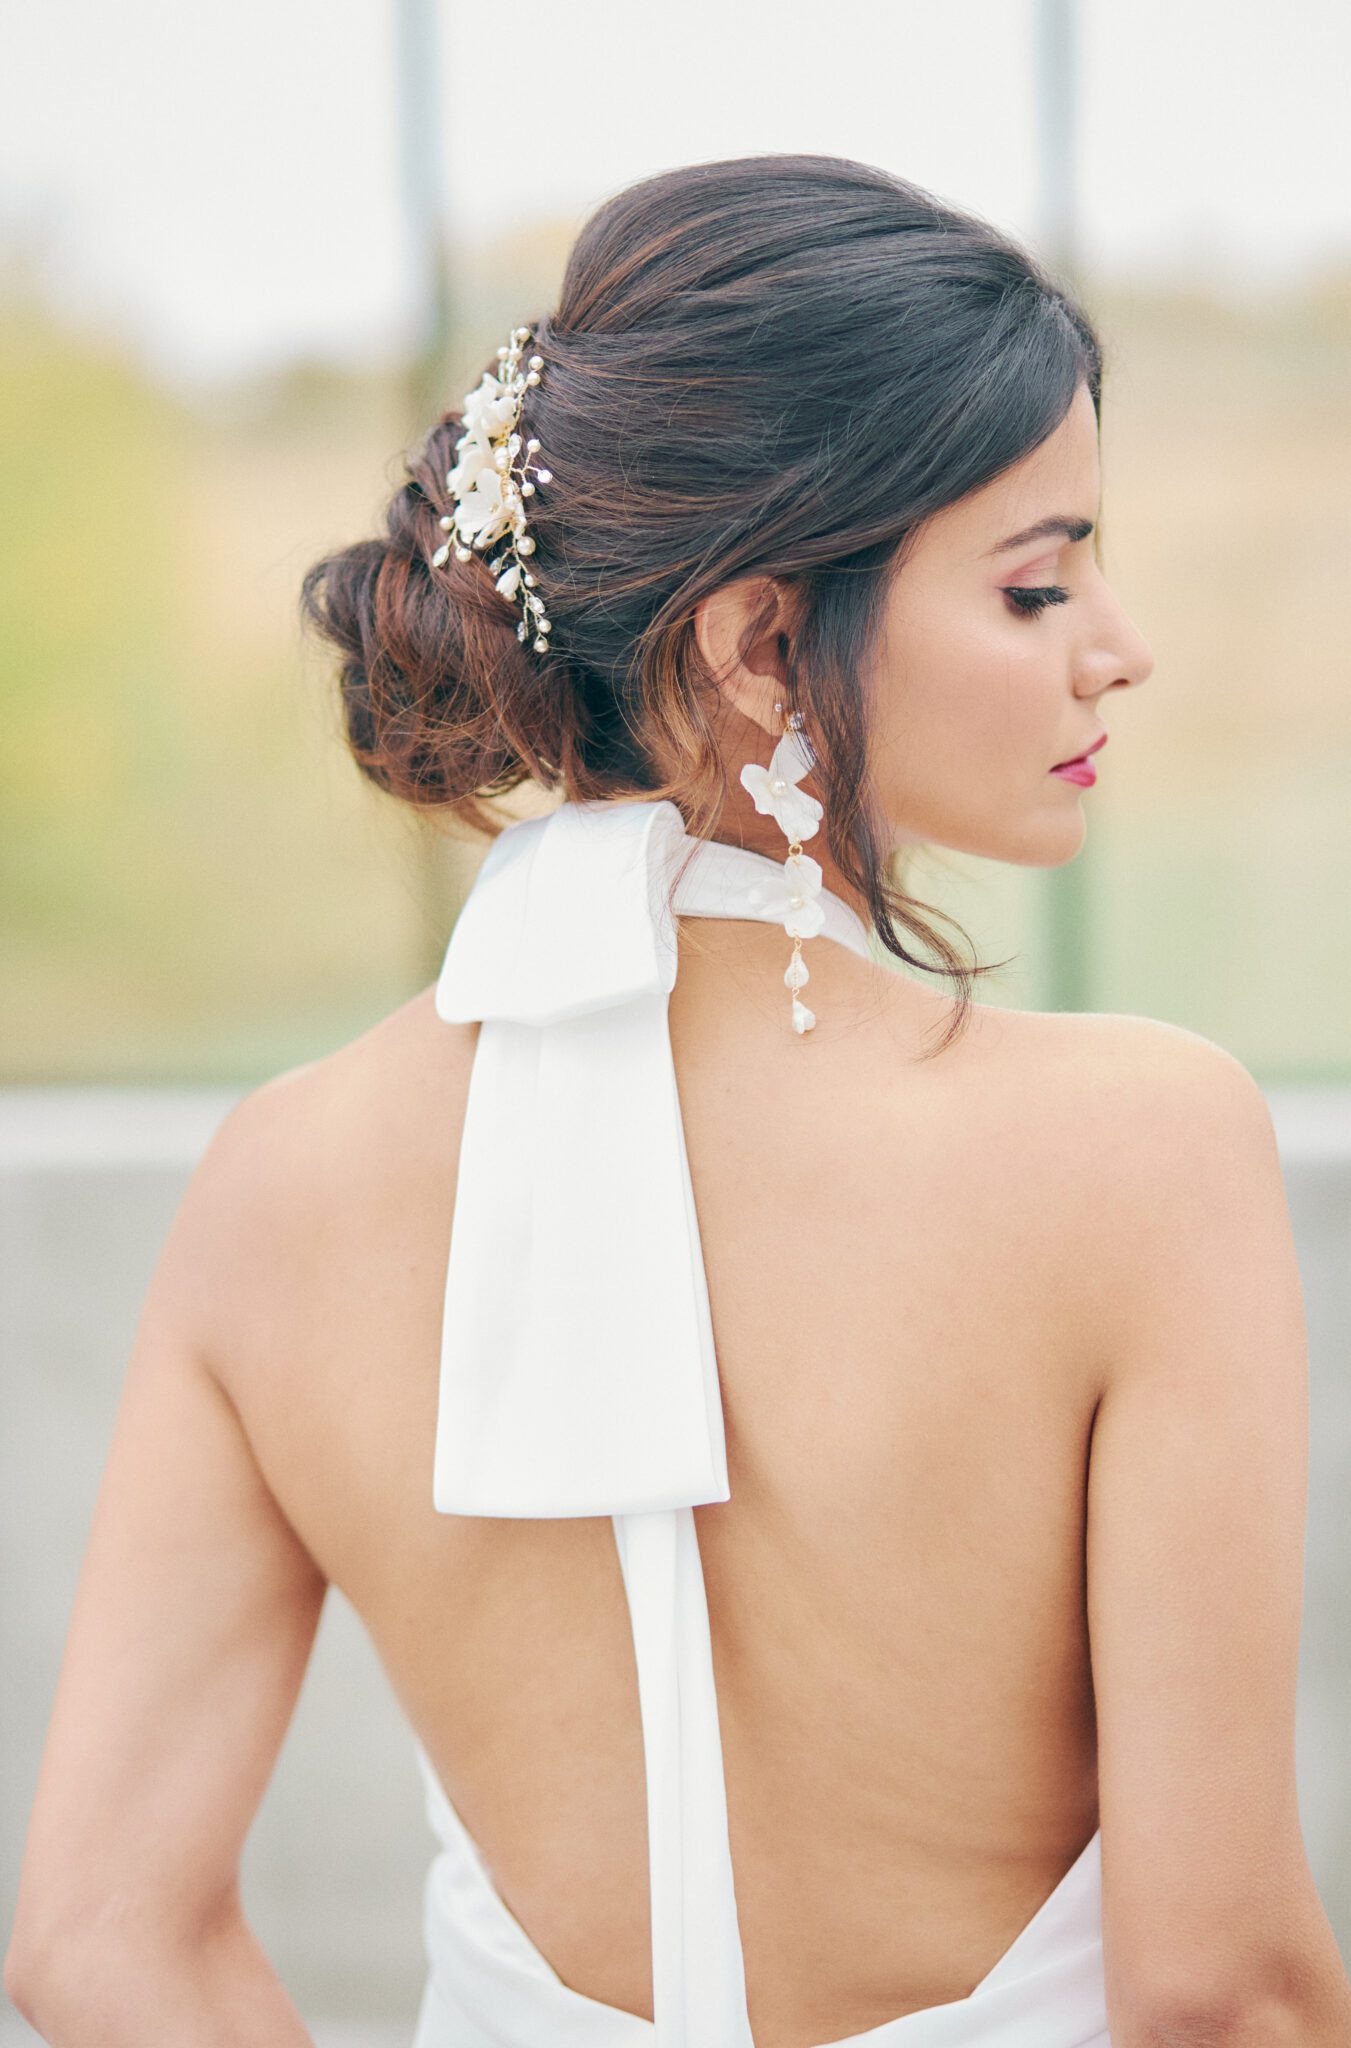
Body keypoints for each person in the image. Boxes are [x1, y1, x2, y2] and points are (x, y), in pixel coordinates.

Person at [7, 153, 1350, 2048]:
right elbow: (1222, 1998)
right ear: (754, 644)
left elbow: (97, 1942)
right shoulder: (1142, 1155)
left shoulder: (275, 1190)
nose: (1118, 643)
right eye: (1039, 579)